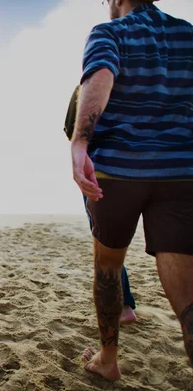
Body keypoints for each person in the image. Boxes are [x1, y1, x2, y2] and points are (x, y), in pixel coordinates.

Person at [71, 0, 193, 381]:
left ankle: (108, 360)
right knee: (187, 284)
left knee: (108, 265)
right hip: (179, 171)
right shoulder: (187, 34)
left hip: (118, 172)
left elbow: (100, 79)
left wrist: (79, 142)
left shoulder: (110, 32)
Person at [64, 85, 137, 324]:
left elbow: (71, 130)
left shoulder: (83, 90)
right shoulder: (132, 86)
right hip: (137, 170)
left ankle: (124, 307)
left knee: (106, 244)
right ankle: (125, 305)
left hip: (100, 172)